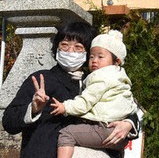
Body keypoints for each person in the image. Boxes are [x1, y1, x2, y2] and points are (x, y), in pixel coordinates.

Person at [2, 22, 138, 158]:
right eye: (64, 45)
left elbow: (125, 105)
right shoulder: (42, 79)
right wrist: (33, 109)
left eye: (78, 47)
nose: (70, 51)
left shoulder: (97, 81)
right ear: (57, 48)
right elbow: (9, 122)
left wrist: (128, 124)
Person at [50, 29, 138, 158]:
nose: (94, 60)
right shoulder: (120, 78)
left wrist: (65, 107)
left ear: (116, 61)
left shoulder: (101, 77)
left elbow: (85, 102)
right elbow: (132, 106)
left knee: (66, 134)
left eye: (100, 57)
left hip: (104, 129)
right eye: (91, 56)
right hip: (117, 136)